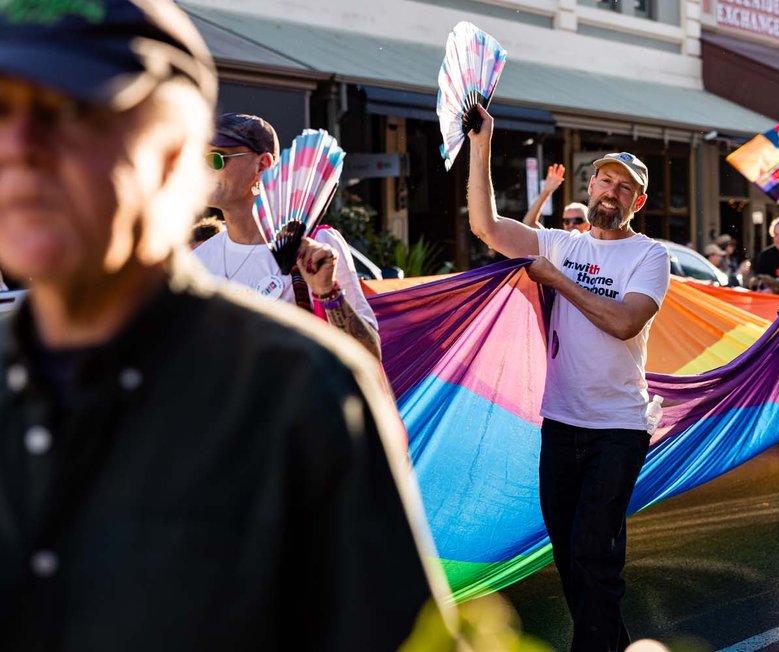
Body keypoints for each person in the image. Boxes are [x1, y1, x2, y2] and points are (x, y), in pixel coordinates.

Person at [0, 2, 446, 648]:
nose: (18, 148)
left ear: (173, 156)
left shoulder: (305, 392)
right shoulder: (206, 261)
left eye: (69, 112)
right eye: (0, 112)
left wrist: (322, 294)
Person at [467, 105, 670, 651]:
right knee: (569, 557)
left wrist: (557, 280)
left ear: (637, 202)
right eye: (605, 180)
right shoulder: (560, 242)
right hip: (560, 422)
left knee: (594, 555)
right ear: (591, 185)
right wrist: (482, 144)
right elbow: (486, 226)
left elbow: (624, 322)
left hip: (619, 428)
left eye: (625, 187)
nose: (612, 192)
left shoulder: (650, 256)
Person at [194, 113, 381, 359]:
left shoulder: (315, 245)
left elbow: (369, 353)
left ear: (262, 165)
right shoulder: (197, 261)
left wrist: (327, 292)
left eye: (216, 158)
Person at [523, 163, 590, 232]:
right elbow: (528, 223)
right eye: (567, 221)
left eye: (577, 221)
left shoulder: (593, 238)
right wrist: (546, 191)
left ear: (587, 225)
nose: (571, 224)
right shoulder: (556, 237)